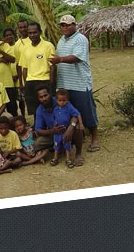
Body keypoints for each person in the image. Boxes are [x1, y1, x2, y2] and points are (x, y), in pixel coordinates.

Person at [50, 14, 101, 153]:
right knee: (70, 112)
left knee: (87, 111)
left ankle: (95, 137)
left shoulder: (80, 39)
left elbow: (76, 58)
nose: (65, 27)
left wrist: (59, 59)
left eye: (68, 24)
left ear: (74, 25)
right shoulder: (61, 40)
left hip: (79, 83)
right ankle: (79, 135)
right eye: (62, 25)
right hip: (65, 84)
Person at [34, 85, 84, 167]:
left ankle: (78, 154)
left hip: (67, 130)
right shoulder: (40, 110)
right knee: (37, 144)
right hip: (54, 133)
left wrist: (70, 128)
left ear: (50, 94)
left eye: (45, 95)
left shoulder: (61, 99)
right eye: (41, 97)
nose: (44, 99)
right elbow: (38, 130)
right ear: (38, 99)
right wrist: (53, 131)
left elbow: (75, 116)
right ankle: (57, 151)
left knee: (78, 128)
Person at [19, 22, 56, 123]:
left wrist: (51, 83)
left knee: (48, 106)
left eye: (35, 32)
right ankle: (38, 126)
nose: (32, 35)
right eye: (30, 33)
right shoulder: (25, 48)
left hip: (44, 81)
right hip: (31, 82)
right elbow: (24, 68)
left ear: (39, 32)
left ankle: (51, 126)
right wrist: (26, 83)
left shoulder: (48, 46)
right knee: (34, 108)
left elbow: (52, 66)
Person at [51, 89, 81, 168]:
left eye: (64, 100)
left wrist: (81, 124)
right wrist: (54, 126)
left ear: (67, 100)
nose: (62, 102)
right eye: (60, 100)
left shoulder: (69, 107)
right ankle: (55, 158)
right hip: (57, 132)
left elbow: (77, 114)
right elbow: (54, 119)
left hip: (66, 130)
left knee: (67, 144)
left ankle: (68, 159)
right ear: (57, 100)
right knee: (56, 145)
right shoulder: (55, 109)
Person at [1, 28, 20, 116]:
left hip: (18, 77)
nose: (9, 37)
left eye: (10, 35)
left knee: (20, 100)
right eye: (6, 36)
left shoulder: (18, 45)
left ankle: (22, 116)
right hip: (9, 78)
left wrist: (17, 75)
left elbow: (16, 60)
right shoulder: (3, 46)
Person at [15, 19, 30, 117]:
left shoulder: (36, 38)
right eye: (21, 27)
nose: (23, 29)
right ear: (18, 29)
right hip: (25, 78)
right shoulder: (17, 44)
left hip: (38, 76)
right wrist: (21, 82)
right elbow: (18, 64)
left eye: (25, 27)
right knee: (28, 101)